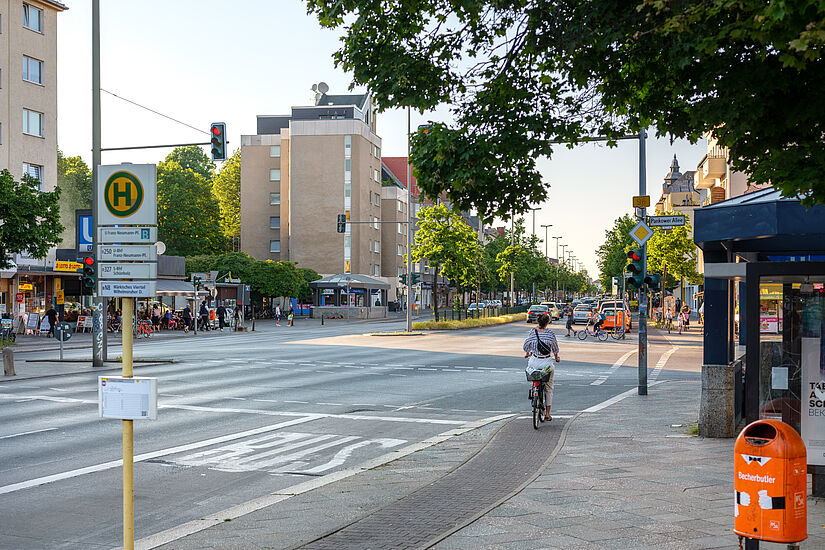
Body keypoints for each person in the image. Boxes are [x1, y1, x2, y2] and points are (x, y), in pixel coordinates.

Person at [523, 313, 560, 421]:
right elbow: (555, 348)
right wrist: (557, 357)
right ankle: (547, 414)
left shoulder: (532, 332)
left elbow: (526, 346)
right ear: (547, 322)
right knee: (549, 388)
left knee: (534, 375)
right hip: (546, 363)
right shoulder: (550, 333)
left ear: (538, 321)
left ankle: (534, 389)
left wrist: (527, 353)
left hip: (534, 362)